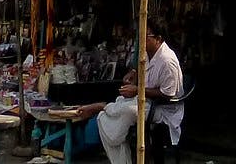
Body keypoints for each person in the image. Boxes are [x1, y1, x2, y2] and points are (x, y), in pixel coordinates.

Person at [76, 21, 184, 164]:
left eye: (146, 36)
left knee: (128, 111)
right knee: (103, 118)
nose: (142, 40)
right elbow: (141, 69)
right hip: (146, 101)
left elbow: (168, 94)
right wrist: (133, 73)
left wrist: (137, 91)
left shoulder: (167, 61)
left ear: (158, 38)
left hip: (164, 109)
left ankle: (103, 106)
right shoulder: (146, 53)